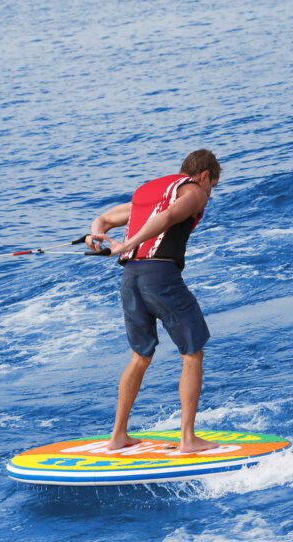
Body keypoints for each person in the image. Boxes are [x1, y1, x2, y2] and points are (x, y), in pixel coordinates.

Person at [87, 149, 221, 453]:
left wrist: (95, 236)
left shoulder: (151, 195)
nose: (209, 194)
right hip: (160, 277)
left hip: (130, 279)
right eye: (212, 186)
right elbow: (169, 216)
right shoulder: (194, 192)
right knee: (192, 354)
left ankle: (118, 436)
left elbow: (104, 219)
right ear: (204, 176)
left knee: (140, 356)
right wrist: (128, 244)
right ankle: (188, 438)